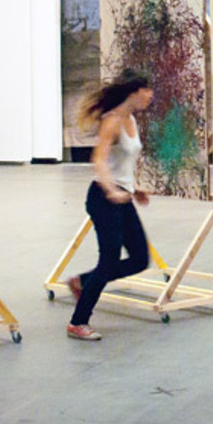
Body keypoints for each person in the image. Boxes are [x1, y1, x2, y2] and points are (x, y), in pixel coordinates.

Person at [65, 70, 155, 340]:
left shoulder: (131, 120)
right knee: (109, 260)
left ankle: (82, 281)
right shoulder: (112, 121)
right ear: (133, 92)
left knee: (140, 259)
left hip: (123, 197)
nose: (150, 95)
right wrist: (111, 189)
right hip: (103, 198)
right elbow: (99, 159)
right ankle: (78, 322)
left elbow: (122, 163)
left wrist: (133, 189)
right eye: (146, 90)